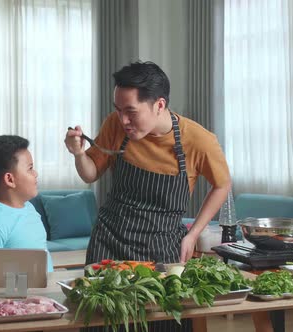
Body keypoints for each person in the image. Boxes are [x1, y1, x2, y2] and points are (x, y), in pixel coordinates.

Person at [64, 61, 231, 331]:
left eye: (131, 112)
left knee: (162, 323)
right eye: (118, 110)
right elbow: (90, 173)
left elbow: (222, 185)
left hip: (162, 247)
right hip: (110, 241)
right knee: (103, 322)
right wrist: (79, 153)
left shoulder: (199, 140)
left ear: (159, 105)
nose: (123, 120)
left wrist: (192, 234)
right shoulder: (116, 126)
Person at [0, 135, 53, 277]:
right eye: (30, 168)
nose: (36, 173)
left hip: (45, 295)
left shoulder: (28, 207)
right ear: (9, 179)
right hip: (20, 298)